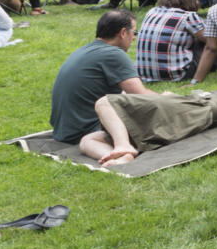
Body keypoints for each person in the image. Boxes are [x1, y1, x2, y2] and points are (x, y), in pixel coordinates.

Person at [82, 65, 217, 171]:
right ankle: (123, 154)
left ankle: (121, 146)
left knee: (105, 102)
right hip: (178, 107)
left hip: (182, 113)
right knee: (88, 141)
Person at [50, 10, 153, 164]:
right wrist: (166, 99)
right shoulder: (114, 54)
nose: (134, 38)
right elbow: (141, 95)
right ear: (123, 33)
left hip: (64, 130)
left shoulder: (86, 50)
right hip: (84, 130)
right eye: (134, 32)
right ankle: (121, 153)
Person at [134, 0, 209, 82]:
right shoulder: (188, 16)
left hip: (144, 74)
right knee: (213, 41)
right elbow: (211, 40)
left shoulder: (152, 11)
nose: (198, 2)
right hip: (175, 74)